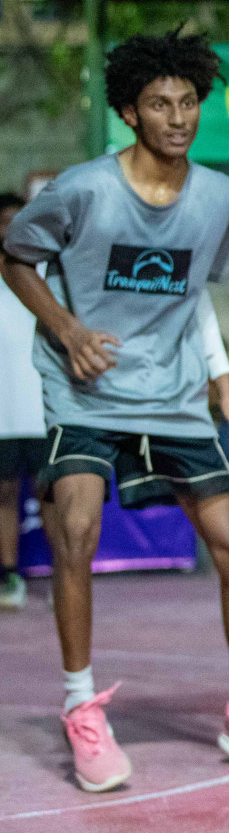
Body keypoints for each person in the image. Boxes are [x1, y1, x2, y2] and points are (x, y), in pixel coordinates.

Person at [0, 28, 229, 793]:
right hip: (87, 389)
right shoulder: (82, 189)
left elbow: (193, 294)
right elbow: (15, 257)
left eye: (187, 102)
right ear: (129, 113)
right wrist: (67, 329)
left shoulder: (219, 198)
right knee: (75, 527)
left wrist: (226, 386)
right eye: (158, 104)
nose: (177, 117)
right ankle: (81, 710)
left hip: (174, 395)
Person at [0, 192, 44, 610]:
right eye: (3, 221)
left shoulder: (45, 277)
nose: (9, 229)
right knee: (5, 495)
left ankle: (65, 575)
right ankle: (7, 577)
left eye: (16, 221)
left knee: (53, 495)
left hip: (44, 412)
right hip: (3, 415)